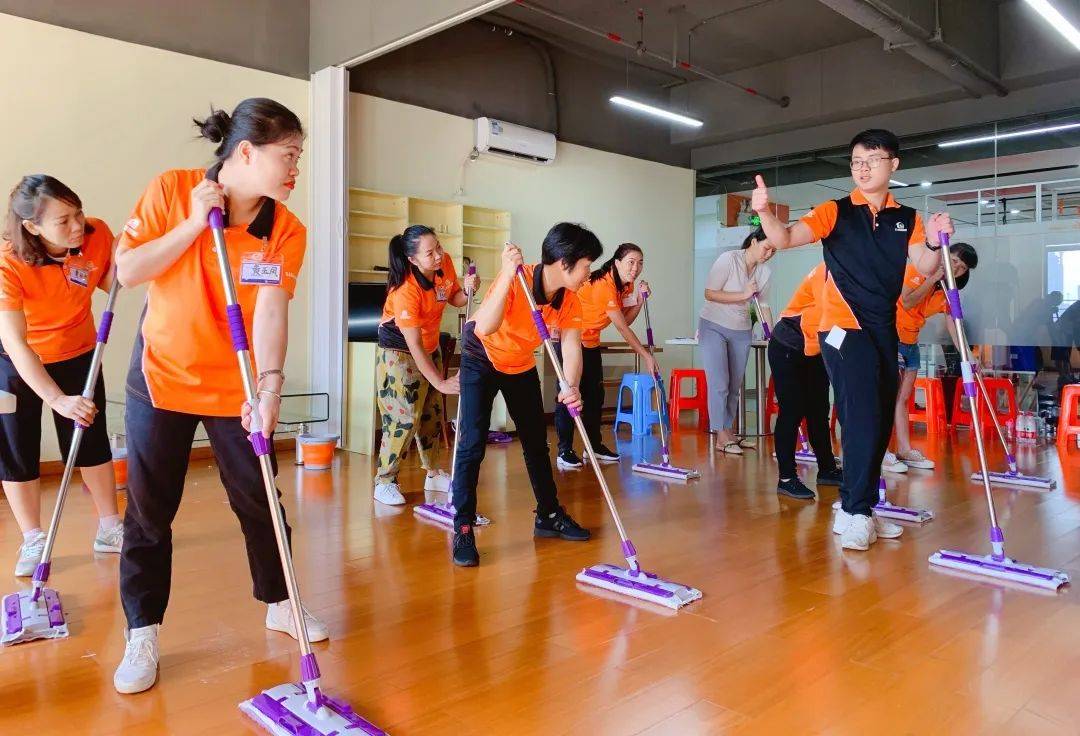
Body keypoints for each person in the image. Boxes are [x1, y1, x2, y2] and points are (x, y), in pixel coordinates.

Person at [110, 98, 321, 695]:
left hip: (238, 388)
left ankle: (280, 601)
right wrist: (192, 223)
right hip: (163, 378)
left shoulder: (285, 229)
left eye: (299, 157)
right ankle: (142, 628)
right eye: (289, 155)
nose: (295, 169)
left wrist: (270, 386)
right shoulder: (171, 189)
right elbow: (128, 271)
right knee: (149, 510)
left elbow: (271, 313)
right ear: (246, 152)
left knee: (260, 500)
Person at [753, 128, 952, 551]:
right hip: (842, 329)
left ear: (893, 165)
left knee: (879, 418)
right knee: (860, 412)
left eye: (872, 160)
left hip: (883, 328)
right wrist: (765, 213)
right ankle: (858, 510)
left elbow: (924, 263)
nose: (863, 169)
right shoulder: (835, 211)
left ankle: (855, 506)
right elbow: (785, 238)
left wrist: (935, 241)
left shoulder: (907, 218)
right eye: (856, 162)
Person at [450, 223, 600, 567]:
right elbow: (485, 327)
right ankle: (463, 526)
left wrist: (571, 386)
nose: (588, 274)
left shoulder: (569, 299)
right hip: (481, 354)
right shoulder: (518, 278)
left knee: (535, 442)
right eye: (586, 266)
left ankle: (548, 514)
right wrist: (506, 273)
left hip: (518, 362)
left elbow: (572, 347)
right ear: (564, 263)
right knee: (472, 443)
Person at [0, 175, 123, 575]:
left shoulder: (95, 235)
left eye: (78, 213)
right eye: (63, 221)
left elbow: (113, 282)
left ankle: (109, 528)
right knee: (16, 447)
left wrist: (131, 255)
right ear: (32, 227)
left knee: (90, 437)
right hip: (16, 361)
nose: (77, 226)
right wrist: (56, 399)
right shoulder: (7, 262)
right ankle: (33, 538)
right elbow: (15, 342)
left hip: (78, 352)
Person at [372, 225, 478, 505]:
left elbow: (455, 297)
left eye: (438, 247)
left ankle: (433, 473)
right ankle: (384, 481)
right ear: (413, 259)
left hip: (429, 346)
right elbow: (413, 345)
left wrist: (469, 290)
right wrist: (440, 382)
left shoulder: (444, 264)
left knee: (431, 413)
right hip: (400, 352)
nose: (438, 255)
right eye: (430, 253)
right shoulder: (406, 290)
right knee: (404, 416)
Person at [554, 243, 653, 469]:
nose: (635, 268)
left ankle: (594, 447)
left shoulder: (626, 285)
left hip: (590, 341)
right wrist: (646, 355)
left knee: (595, 396)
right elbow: (622, 328)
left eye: (640, 263)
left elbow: (625, 319)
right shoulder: (603, 285)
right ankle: (564, 450)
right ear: (617, 262)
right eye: (630, 262)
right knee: (569, 393)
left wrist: (640, 300)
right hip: (571, 339)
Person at [890, 243, 978, 470]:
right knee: (887, 398)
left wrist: (968, 355)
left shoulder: (948, 292)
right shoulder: (918, 270)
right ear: (944, 256)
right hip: (891, 338)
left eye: (963, 267)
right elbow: (907, 301)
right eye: (954, 260)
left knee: (903, 399)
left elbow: (953, 325)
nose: (957, 267)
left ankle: (904, 450)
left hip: (911, 342)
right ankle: (882, 454)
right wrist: (932, 278)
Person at [767, 263, 843, 500]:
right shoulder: (825, 272)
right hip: (789, 345)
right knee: (792, 411)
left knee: (818, 410)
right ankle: (786, 479)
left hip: (815, 348)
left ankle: (827, 469)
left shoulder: (852, 275)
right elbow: (831, 318)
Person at [699, 228, 775, 454]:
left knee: (734, 386)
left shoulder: (764, 272)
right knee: (719, 383)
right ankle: (720, 436)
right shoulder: (729, 259)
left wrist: (771, 335)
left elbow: (763, 305)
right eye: (766, 248)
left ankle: (729, 431)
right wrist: (743, 295)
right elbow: (710, 293)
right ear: (754, 241)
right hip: (713, 325)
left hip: (741, 330)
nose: (769, 254)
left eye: (773, 251)